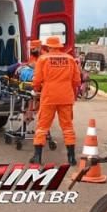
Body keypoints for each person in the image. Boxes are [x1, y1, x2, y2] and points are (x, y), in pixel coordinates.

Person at [30, 36, 81, 165]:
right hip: (66, 97)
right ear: (59, 46)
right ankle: (71, 158)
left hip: (49, 96)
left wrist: (36, 89)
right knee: (67, 127)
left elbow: (37, 80)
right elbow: (77, 80)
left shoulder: (43, 59)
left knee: (42, 127)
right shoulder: (70, 59)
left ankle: (37, 157)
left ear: (48, 47)